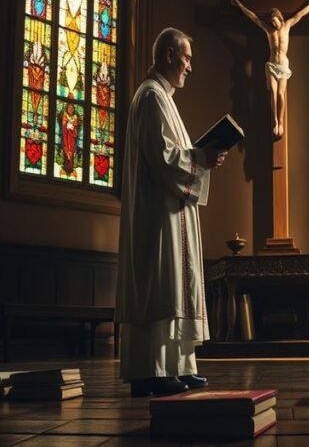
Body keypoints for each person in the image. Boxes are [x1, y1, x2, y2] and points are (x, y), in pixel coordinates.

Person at [115, 27, 228, 397]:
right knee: (161, 288)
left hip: (171, 211)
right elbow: (163, 158)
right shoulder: (151, 97)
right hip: (157, 217)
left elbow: (172, 154)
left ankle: (177, 365)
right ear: (168, 54)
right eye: (187, 58)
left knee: (175, 287)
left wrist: (203, 157)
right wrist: (202, 158)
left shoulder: (163, 97)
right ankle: (153, 371)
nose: (190, 67)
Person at [230, 0, 309, 139]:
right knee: (273, 93)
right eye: (272, 23)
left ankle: (280, 121)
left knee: (281, 94)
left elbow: (301, 13)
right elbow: (253, 18)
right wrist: (240, 6)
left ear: (280, 18)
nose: (274, 25)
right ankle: (275, 121)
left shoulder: (287, 26)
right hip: (271, 65)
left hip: (282, 64)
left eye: (275, 22)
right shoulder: (269, 30)